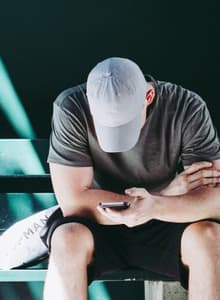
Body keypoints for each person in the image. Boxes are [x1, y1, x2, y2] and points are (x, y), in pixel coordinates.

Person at [42, 57, 220, 300]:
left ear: (148, 96)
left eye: (125, 125)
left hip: (168, 220)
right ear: (90, 101)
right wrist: (163, 195)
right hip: (99, 223)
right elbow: (74, 203)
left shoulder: (186, 106)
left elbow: (215, 201)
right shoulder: (71, 106)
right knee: (66, 240)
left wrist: (156, 206)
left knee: (210, 238)